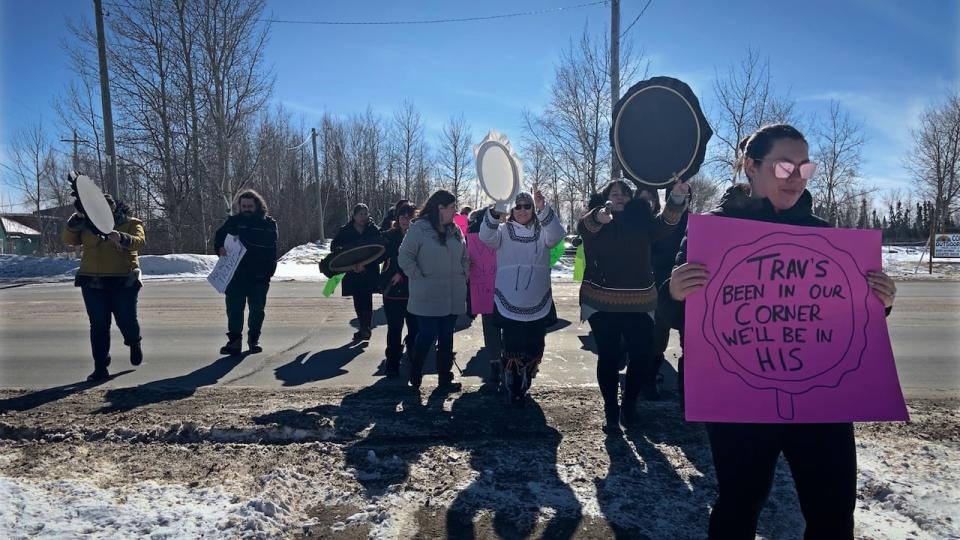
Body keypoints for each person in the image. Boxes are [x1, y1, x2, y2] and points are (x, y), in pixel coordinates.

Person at [662, 123, 897, 539]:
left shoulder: (827, 236)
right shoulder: (710, 233)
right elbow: (682, 322)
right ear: (751, 167)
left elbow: (840, 322)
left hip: (822, 399)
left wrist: (880, 301)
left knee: (833, 513)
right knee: (740, 504)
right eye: (785, 166)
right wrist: (675, 294)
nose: (797, 177)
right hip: (740, 399)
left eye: (805, 168)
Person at [578, 178, 689, 430]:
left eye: (624, 194)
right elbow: (584, 227)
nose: (619, 197)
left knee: (641, 356)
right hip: (601, 300)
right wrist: (598, 217)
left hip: (639, 301)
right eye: (614, 193)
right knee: (608, 356)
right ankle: (610, 409)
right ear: (605, 197)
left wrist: (677, 198)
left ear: (631, 200)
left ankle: (629, 404)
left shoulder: (643, 222)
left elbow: (667, 224)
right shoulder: (597, 220)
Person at [479, 190, 565, 406]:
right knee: (513, 345)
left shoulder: (543, 229)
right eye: (518, 207)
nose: (523, 210)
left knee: (535, 344)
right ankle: (515, 386)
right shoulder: (503, 231)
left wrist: (543, 209)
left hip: (538, 297)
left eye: (527, 206)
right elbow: (485, 237)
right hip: (510, 297)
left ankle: (526, 377)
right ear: (511, 210)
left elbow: (556, 237)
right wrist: (494, 212)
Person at [63, 191, 146, 382]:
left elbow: (139, 242)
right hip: (92, 281)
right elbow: (69, 240)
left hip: (124, 280)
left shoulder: (131, 222)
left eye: (106, 207)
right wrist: (76, 220)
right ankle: (100, 367)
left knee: (126, 320)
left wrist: (123, 238)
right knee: (99, 325)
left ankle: (134, 342)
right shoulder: (85, 223)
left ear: (113, 207)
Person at [398, 189, 469, 391]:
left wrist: (464, 273)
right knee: (427, 335)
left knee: (447, 337)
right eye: (452, 207)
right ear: (440, 208)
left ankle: (444, 378)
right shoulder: (419, 228)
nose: (454, 212)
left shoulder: (456, 230)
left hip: (453, 294)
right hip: (428, 296)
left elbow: (465, 255)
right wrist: (419, 277)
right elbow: (404, 257)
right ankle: (415, 373)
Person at [213, 189, 278, 355]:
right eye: (244, 206)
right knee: (234, 309)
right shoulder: (232, 222)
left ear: (257, 205)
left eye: (250, 206)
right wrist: (219, 248)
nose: (247, 209)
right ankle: (234, 342)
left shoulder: (268, 224)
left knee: (257, 310)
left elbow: (271, 249)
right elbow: (219, 238)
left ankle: (253, 339)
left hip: (259, 275)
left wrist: (269, 271)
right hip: (236, 275)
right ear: (239, 207)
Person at [379, 203, 419, 377]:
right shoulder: (388, 236)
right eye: (403, 217)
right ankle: (392, 362)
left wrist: (403, 273)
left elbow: (422, 259)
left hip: (415, 290)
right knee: (394, 329)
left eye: (410, 217)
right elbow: (376, 255)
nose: (406, 220)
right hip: (392, 291)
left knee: (415, 329)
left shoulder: (420, 236)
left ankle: (413, 356)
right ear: (397, 218)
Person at [332, 203, 381, 341]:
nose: (364, 217)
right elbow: (334, 247)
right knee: (358, 300)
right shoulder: (345, 231)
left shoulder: (373, 230)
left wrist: (366, 264)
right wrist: (348, 259)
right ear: (354, 216)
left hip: (368, 270)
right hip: (352, 271)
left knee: (367, 299)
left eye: (366, 214)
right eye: (361, 214)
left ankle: (366, 328)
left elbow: (380, 248)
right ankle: (363, 327)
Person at [467, 207, 504, 388]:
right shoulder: (503, 229)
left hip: (484, 291)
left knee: (490, 329)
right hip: (501, 289)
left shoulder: (472, 231)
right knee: (507, 326)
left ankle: (495, 362)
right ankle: (504, 361)